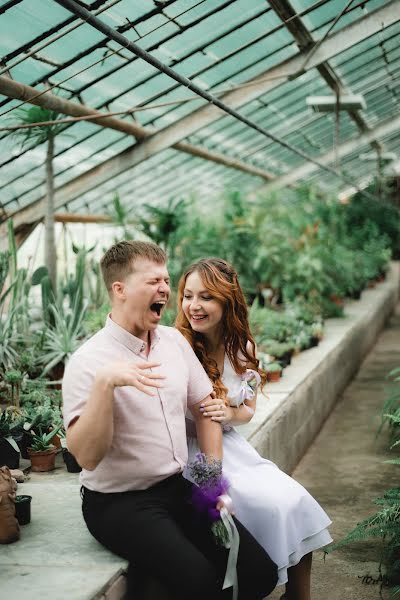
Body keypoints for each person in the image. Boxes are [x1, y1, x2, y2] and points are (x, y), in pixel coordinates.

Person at [62, 241, 278, 600]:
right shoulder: (88, 362)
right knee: (198, 581)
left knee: (259, 572)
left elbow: (206, 409)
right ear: (120, 290)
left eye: (166, 279)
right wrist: (105, 386)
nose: (166, 289)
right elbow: (87, 457)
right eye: (153, 281)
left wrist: (211, 486)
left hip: (178, 488)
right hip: (119, 503)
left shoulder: (174, 343)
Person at [175, 257, 332, 600]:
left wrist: (227, 413)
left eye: (206, 297)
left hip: (233, 447)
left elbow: (246, 411)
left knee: (296, 498)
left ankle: (298, 595)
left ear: (227, 300)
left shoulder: (242, 348)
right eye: (188, 296)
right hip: (194, 453)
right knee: (269, 504)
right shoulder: (178, 347)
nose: (194, 306)